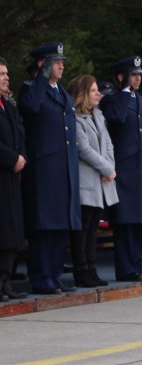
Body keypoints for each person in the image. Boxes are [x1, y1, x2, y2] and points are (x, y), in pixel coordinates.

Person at [18, 42, 80, 294]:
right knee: (44, 227)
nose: (62, 66)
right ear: (43, 65)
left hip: (63, 168)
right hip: (44, 169)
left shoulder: (61, 92)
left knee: (59, 225)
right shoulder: (31, 88)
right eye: (56, 62)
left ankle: (54, 276)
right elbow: (30, 107)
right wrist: (42, 77)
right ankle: (42, 278)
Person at [101, 56, 142, 282]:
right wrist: (124, 91)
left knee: (141, 220)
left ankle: (138, 265)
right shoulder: (112, 100)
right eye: (132, 75)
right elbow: (115, 118)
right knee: (126, 221)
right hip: (125, 170)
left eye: (138, 75)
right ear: (121, 77)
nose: (137, 78)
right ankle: (126, 268)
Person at [69, 75, 117, 288]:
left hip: (102, 180)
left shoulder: (99, 115)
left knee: (93, 229)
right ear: (82, 94)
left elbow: (108, 144)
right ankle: (82, 270)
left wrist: (110, 169)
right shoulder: (75, 118)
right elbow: (84, 149)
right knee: (84, 228)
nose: (98, 94)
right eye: (93, 91)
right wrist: (105, 168)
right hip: (86, 180)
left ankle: (92, 269)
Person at [0, 57, 28, 301]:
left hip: (12, 178)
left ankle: (5, 281)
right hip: (3, 172)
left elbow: (20, 134)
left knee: (11, 231)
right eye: (1, 74)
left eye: (7, 73)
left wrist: (22, 157)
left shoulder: (8, 106)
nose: (6, 77)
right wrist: (12, 159)